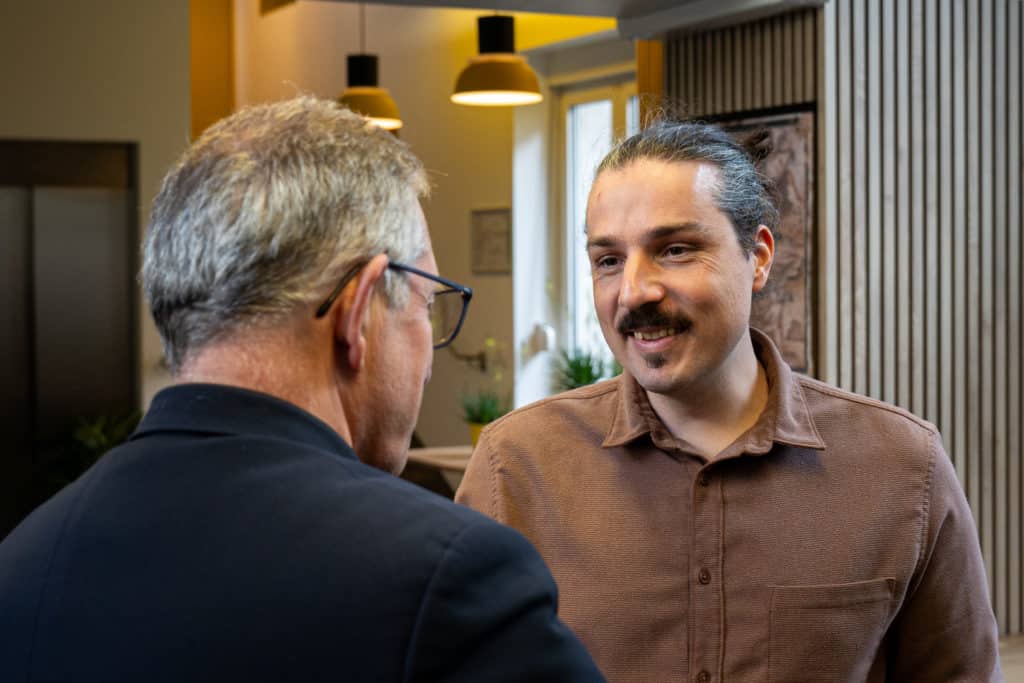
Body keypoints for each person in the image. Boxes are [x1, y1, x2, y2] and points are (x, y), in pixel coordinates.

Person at [0, 97, 603, 682]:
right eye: (426, 305)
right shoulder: (449, 576)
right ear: (358, 310)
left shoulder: (23, 561)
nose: (426, 362)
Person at [456, 119, 1001, 682]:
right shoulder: (515, 468)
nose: (635, 291)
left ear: (759, 257)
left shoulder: (903, 466)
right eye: (609, 260)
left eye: (675, 249)